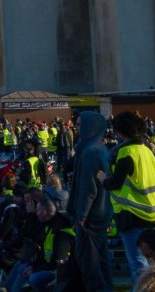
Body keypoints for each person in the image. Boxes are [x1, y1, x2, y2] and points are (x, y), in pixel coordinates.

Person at [102, 110, 155, 287]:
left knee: (137, 263)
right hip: (152, 212)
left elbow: (116, 183)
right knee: (152, 262)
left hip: (131, 213)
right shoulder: (146, 150)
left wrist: (103, 179)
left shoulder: (126, 152)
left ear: (120, 131)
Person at [66, 111, 113, 292]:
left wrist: (82, 215)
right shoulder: (99, 148)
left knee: (89, 260)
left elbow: (89, 188)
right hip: (101, 212)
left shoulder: (89, 152)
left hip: (91, 216)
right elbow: (100, 178)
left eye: (80, 126)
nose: (77, 129)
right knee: (101, 258)